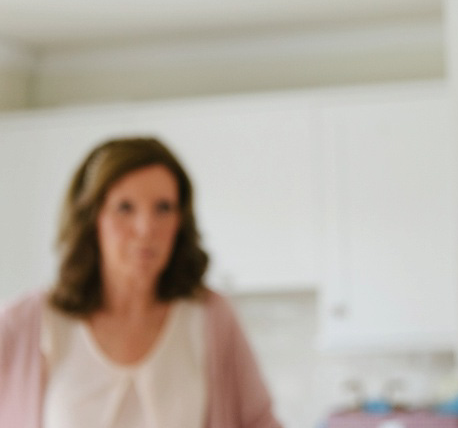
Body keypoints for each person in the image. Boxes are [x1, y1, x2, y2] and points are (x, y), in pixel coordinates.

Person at [0, 137, 282, 428]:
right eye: (125, 207)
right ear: (91, 218)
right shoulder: (25, 323)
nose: (146, 228)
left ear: (180, 221)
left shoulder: (211, 316)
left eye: (163, 208)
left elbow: (259, 422)